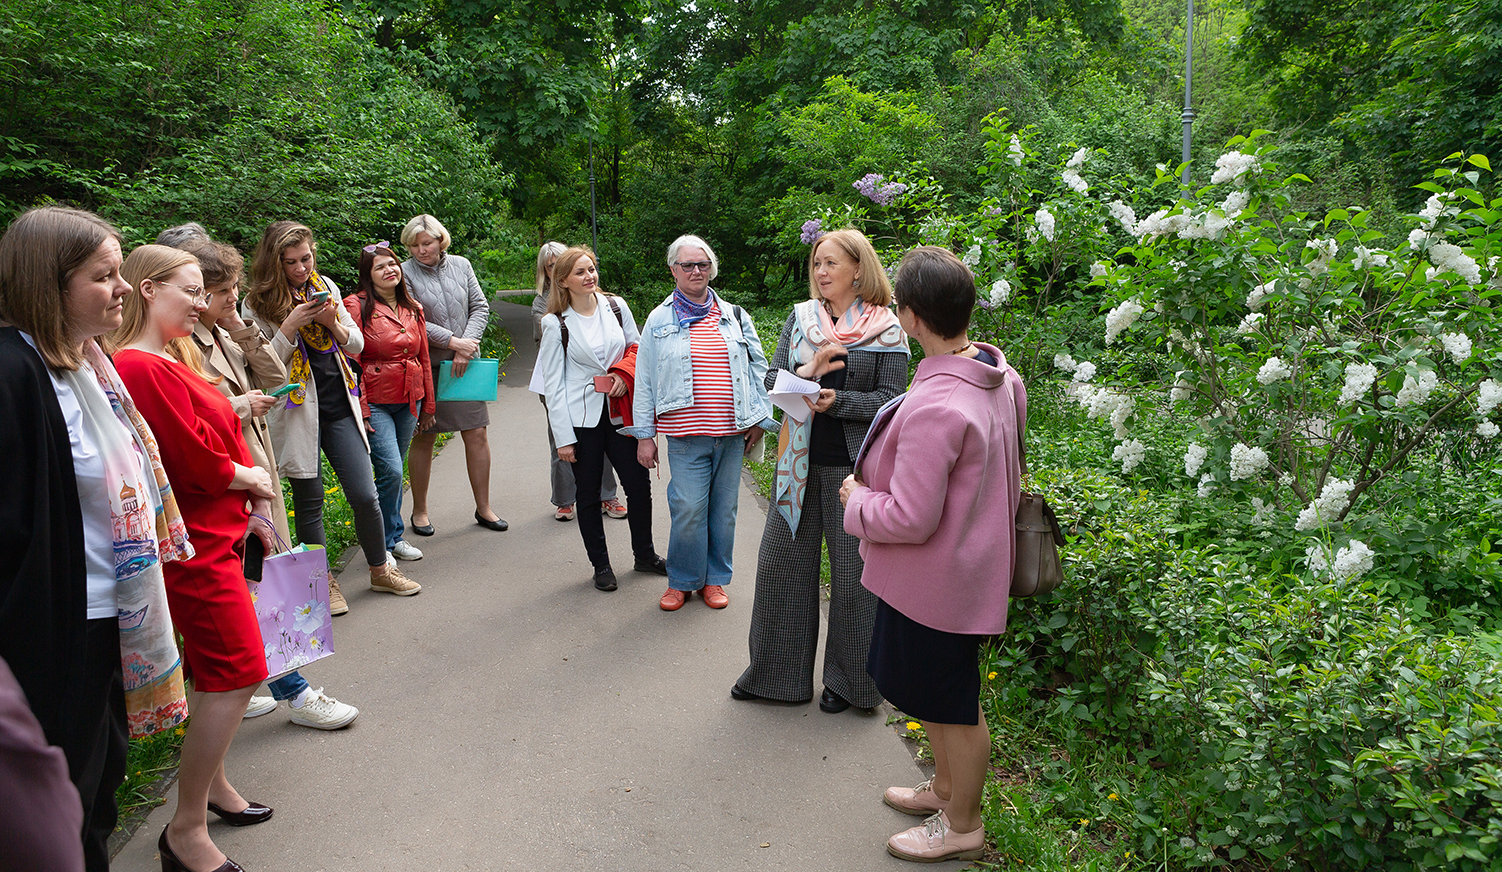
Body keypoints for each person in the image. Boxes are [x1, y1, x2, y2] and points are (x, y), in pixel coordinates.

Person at [0, 207, 189, 872]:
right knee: (61, 809)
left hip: (114, 619)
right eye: (103, 275)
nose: (121, 288)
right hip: (54, 637)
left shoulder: (88, 364)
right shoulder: (13, 375)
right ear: (49, 285)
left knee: (100, 790)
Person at [838, 246, 1026, 863]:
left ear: (913, 317)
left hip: (937, 581)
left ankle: (964, 826)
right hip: (971, 568)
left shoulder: (935, 404)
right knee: (941, 695)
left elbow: (910, 517)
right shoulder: (1000, 377)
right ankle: (945, 789)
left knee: (954, 706)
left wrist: (858, 499)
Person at [111, 244, 279, 872]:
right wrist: (247, 477)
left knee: (217, 671)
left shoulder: (164, 358)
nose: (202, 301)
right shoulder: (142, 364)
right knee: (238, 671)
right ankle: (183, 831)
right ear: (150, 289)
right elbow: (188, 462)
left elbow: (196, 427)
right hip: (196, 548)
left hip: (214, 535)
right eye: (191, 289)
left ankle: (213, 790)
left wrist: (234, 425)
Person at [170, 234, 358, 730]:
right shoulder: (178, 346)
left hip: (255, 468)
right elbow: (186, 423)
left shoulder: (222, 330)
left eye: (233, 289)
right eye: (223, 292)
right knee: (256, 584)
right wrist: (236, 405)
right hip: (228, 481)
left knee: (258, 580)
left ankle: (237, 684)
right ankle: (295, 692)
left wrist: (239, 327)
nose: (234, 298)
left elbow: (275, 377)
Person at [733, 229, 908, 713]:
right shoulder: (801, 318)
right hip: (797, 466)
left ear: (858, 269)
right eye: (816, 264)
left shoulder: (887, 328)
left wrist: (840, 402)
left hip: (854, 473)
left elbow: (893, 404)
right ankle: (775, 678)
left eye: (830, 263)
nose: (821, 272)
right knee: (780, 569)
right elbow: (772, 380)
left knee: (854, 580)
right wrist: (808, 371)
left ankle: (850, 686)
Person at [244, 221, 419, 608]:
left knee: (364, 494)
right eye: (290, 262)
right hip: (296, 411)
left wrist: (330, 323)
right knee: (310, 501)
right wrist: (289, 327)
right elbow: (261, 368)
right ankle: (324, 584)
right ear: (274, 263)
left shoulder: (325, 286)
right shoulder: (256, 304)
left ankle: (380, 570)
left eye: (306, 258)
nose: (301, 268)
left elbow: (355, 342)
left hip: (339, 405)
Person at [627, 235, 776, 611]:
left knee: (723, 513)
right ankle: (681, 580)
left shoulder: (735, 315)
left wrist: (760, 418)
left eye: (703, 264)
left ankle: (714, 580)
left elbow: (760, 370)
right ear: (673, 269)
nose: (696, 271)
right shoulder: (659, 319)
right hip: (685, 437)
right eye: (688, 265)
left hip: (731, 435)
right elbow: (643, 381)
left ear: (712, 268)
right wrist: (645, 437)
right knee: (689, 509)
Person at [537, 247, 664, 591]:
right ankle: (601, 566)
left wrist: (624, 372)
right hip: (581, 420)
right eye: (580, 272)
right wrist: (563, 438)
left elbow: (638, 349)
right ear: (562, 280)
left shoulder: (616, 306)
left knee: (638, 486)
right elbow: (554, 384)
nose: (589, 276)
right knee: (589, 493)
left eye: (591, 269)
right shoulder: (555, 323)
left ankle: (645, 554)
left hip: (621, 411)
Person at [400, 214, 507, 533]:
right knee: (425, 436)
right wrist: (451, 341)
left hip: (464, 365)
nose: (421, 250)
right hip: (426, 366)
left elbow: (480, 307)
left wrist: (466, 345)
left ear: (440, 241)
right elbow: (411, 316)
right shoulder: (403, 273)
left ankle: (484, 508)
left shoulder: (461, 265)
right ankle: (419, 511)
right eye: (415, 245)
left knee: (476, 432)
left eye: (427, 243)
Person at [343, 241, 436, 564]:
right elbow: (351, 363)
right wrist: (362, 408)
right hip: (377, 401)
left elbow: (422, 357)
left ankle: (393, 538)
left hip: (409, 399)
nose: (389, 270)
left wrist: (429, 406)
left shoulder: (412, 307)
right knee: (392, 471)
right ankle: (380, 544)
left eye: (392, 264)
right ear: (368, 275)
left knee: (393, 472)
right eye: (380, 266)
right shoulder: (356, 306)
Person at [531, 240, 626, 522]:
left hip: (605, 387)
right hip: (558, 381)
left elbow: (630, 344)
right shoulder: (544, 306)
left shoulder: (609, 305)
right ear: (552, 272)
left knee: (604, 439)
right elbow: (552, 345)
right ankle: (564, 499)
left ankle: (607, 495)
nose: (587, 275)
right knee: (563, 441)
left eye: (590, 269)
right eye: (551, 265)